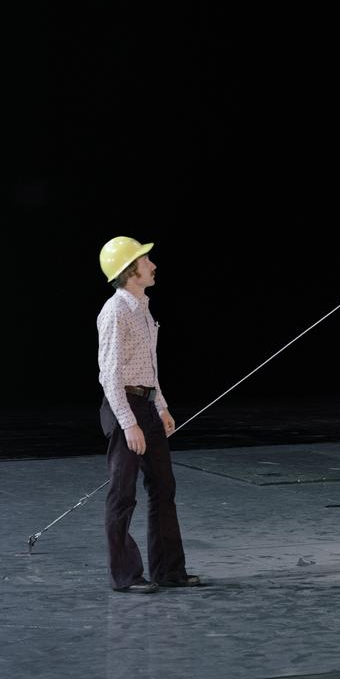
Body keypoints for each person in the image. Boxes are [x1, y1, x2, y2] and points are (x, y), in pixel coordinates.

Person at [97, 235, 201, 593]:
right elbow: (109, 373)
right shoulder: (115, 311)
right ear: (129, 270)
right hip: (123, 406)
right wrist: (129, 423)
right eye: (144, 260)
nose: (152, 264)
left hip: (147, 404)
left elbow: (148, 367)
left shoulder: (142, 307)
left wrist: (162, 406)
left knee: (163, 488)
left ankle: (168, 571)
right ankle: (125, 576)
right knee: (122, 494)